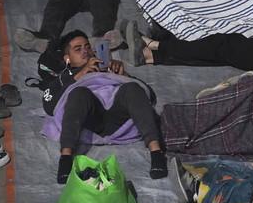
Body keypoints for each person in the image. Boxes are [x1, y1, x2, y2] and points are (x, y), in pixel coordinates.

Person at [37, 30, 167, 183]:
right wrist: (82, 74)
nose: (85, 51)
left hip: (117, 117)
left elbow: (147, 95)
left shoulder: (106, 67)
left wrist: (124, 76)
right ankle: (65, 160)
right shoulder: (65, 77)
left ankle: (156, 154)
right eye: (78, 49)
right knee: (79, 93)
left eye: (87, 47)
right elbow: (49, 105)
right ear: (67, 59)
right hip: (90, 120)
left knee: (132, 88)